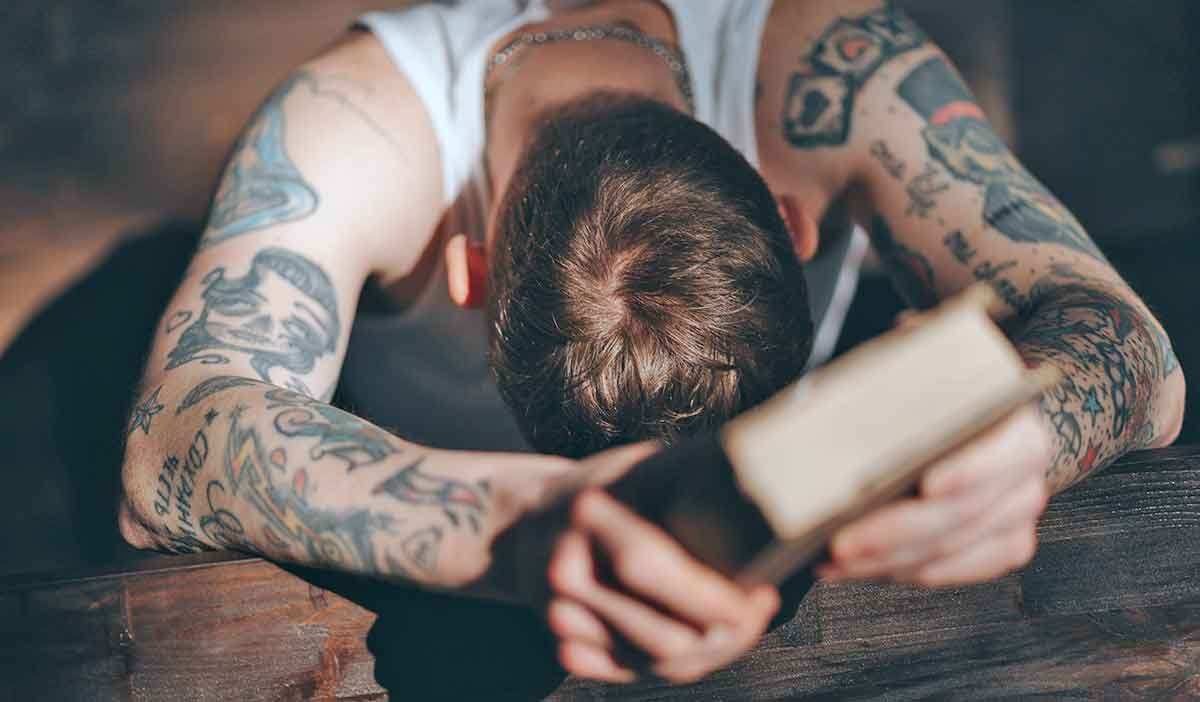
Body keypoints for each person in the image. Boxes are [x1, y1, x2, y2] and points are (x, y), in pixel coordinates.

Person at [118, 0, 1185, 687]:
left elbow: (1127, 342)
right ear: (467, 271)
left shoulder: (830, 73)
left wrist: (1020, 442)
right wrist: (531, 525)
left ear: (787, 208)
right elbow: (170, 444)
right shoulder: (356, 131)